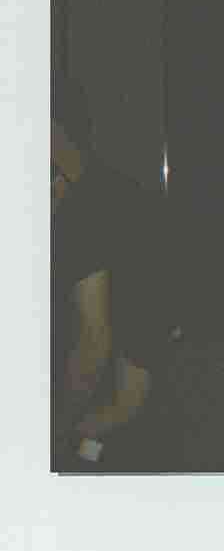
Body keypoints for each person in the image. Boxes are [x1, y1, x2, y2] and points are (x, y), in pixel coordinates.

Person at [51, 75, 173, 472]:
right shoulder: (120, 191)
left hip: (107, 426)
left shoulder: (83, 212)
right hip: (150, 410)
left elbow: (93, 342)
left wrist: (54, 428)